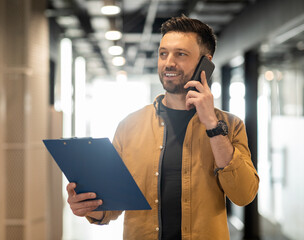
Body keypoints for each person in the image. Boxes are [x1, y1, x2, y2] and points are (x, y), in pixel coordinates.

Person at [66, 15, 259, 240]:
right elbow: (111, 207)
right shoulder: (130, 126)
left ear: (205, 63)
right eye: (163, 53)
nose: (168, 62)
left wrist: (212, 126)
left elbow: (243, 194)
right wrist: (87, 204)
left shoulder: (230, 126)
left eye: (181, 54)